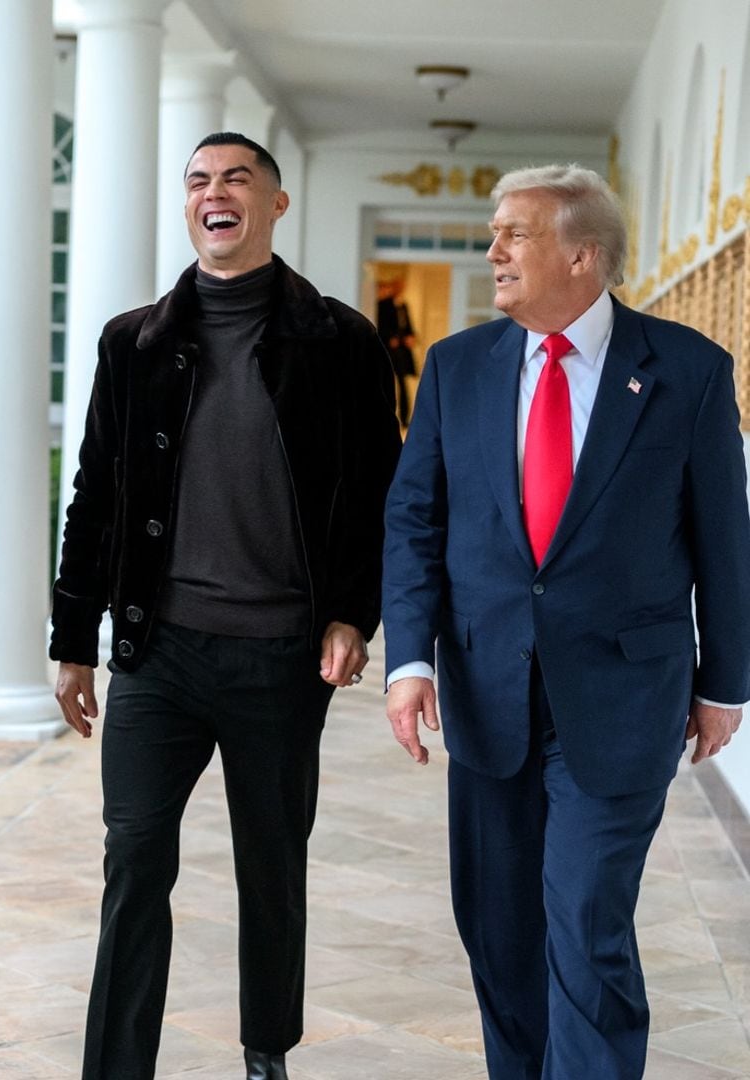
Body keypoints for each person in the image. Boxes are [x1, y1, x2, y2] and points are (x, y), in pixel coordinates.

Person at [381, 164, 750, 1080]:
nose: (494, 252)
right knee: (499, 932)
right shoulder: (458, 368)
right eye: (495, 233)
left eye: (516, 233)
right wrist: (409, 660)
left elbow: (724, 541)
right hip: (487, 692)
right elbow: (416, 519)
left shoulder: (689, 371)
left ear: (583, 255)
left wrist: (725, 682)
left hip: (625, 697)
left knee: (586, 924)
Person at [52, 132, 399, 1080]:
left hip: (280, 657)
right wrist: (73, 636)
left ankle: (265, 1050)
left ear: (275, 204)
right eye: (200, 180)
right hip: (158, 653)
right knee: (134, 859)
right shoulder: (133, 342)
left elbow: (378, 494)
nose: (216, 192)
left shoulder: (341, 343)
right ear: (188, 205)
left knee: (272, 865)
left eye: (237, 178)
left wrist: (352, 613)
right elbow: (95, 494)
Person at [376, 276, 416, 424]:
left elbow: (408, 326)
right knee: (386, 382)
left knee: (402, 384)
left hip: (402, 351)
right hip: (388, 350)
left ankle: (405, 418)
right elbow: (381, 326)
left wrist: (411, 337)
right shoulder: (383, 305)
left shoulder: (403, 306)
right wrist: (389, 338)